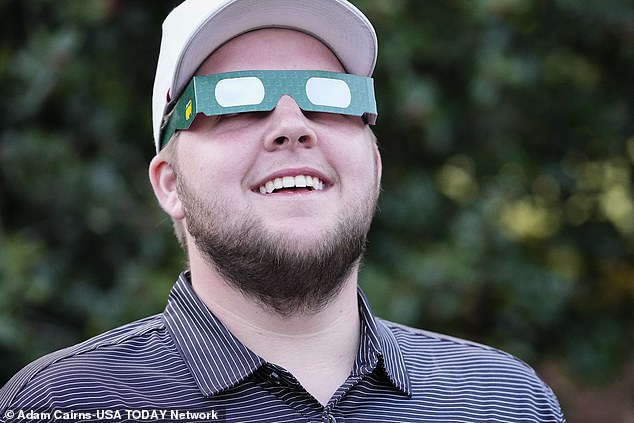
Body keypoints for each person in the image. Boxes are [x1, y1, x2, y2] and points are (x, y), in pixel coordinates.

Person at [0, 0, 565, 422]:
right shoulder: (62, 405)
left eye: (327, 97)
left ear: (374, 160)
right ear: (169, 184)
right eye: (237, 102)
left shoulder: (504, 400)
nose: (293, 126)